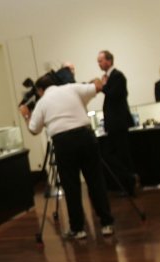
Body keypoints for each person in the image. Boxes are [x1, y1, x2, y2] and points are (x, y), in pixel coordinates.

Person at [20, 73, 115, 240]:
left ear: (40, 90)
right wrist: (95, 82)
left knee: (71, 186)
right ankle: (106, 224)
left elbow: (34, 130)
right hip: (85, 137)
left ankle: (78, 229)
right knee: (96, 181)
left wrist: (26, 115)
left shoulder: (42, 102)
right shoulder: (72, 88)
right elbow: (98, 86)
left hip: (63, 143)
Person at [96, 50, 136, 195]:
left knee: (121, 155)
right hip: (114, 124)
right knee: (113, 154)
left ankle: (129, 185)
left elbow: (114, 94)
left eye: (100, 61)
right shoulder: (111, 77)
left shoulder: (118, 76)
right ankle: (126, 184)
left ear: (109, 61)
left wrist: (103, 86)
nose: (99, 64)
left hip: (119, 123)